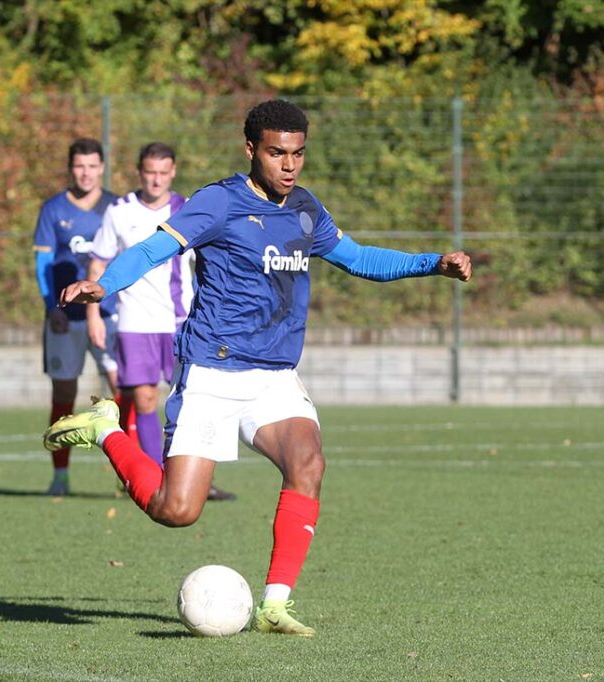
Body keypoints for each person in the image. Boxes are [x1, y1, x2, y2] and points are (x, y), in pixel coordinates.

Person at [44, 100, 472, 635]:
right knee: (176, 510)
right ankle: (107, 429)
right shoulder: (218, 203)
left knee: (308, 463)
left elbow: (358, 258)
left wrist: (431, 263)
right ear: (251, 149)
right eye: (277, 153)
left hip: (273, 376)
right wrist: (105, 285)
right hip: (212, 372)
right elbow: (155, 249)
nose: (289, 165)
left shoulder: (306, 210)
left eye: (298, 154)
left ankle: (274, 604)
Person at [87, 142, 236, 502]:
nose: (156, 180)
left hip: (180, 320)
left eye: (163, 173)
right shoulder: (118, 212)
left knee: (193, 399)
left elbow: (213, 263)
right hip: (134, 321)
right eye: (150, 172)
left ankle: (197, 478)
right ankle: (155, 478)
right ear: (139, 172)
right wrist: (93, 313)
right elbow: (97, 264)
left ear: (173, 173)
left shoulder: (186, 210)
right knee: (146, 397)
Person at [32, 138, 121, 496]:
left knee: (124, 393)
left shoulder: (115, 207)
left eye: (92, 166)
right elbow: (43, 263)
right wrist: (52, 306)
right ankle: (60, 475)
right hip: (65, 320)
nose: (85, 172)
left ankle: (126, 476)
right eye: (79, 166)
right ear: (71, 168)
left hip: (110, 316)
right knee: (64, 394)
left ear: (102, 168)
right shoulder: (53, 209)